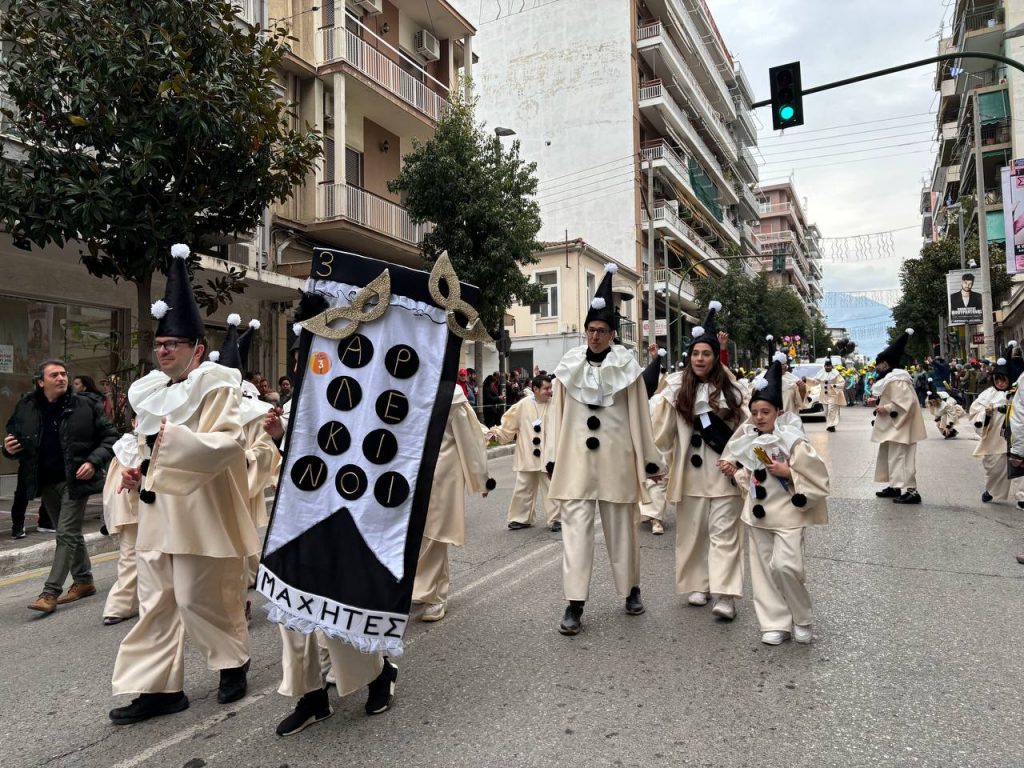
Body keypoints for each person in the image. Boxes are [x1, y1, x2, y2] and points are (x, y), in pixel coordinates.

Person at [109, 244, 258, 725]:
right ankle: (158, 688)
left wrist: (168, 444)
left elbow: (226, 444)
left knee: (198, 597)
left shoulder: (216, 383)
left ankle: (233, 660)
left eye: (173, 343)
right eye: (159, 344)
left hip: (198, 511)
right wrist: (138, 471)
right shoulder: (153, 391)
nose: (163, 350)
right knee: (156, 603)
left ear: (196, 347)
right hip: (156, 510)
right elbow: (144, 444)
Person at [262, 291, 399, 737]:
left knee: (339, 612)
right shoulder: (293, 399)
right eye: (302, 347)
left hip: (343, 514)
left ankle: (378, 675)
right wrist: (281, 433)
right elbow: (295, 460)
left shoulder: (354, 391)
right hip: (295, 516)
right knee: (291, 612)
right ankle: (311, 696)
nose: (305, 356)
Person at [544, 263, 664, 635]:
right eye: (590, 330)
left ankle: (630, 589)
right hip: (577, 463)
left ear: (613, 333)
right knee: (575, 534)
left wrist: (648, 460)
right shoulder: (567, 367)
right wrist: (551, 457)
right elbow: (556, 417)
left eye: (601, 331)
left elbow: (640, 418)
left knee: (622, 531)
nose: (595, 336)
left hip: (617, 463)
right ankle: (574, 603)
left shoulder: (626, 367)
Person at [719, 357, 829, 646]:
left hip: (789, 514)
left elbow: (819, 479)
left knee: (786, 566)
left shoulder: (793, 440)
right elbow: (747, 474)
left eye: (765, 411)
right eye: (754, 412)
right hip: (759, 513)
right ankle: (774, 622)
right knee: (764, 570)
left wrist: (789, 473)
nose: (759, 417)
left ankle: (801, 616)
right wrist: (736, 472)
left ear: (778, 412)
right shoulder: (747, 438)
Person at [651, 301, 747, 621]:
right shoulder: (677, 388)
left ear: (714, 356)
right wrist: (653, 463)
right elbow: (662, 433)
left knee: (724, 536)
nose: (700, 359)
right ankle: (698, 584)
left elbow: (747, 432)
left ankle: (726, 594)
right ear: (690, 357)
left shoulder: (731, 389)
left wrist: (737, 461)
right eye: (695, 354)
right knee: (692, 534)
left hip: (722, 474)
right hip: (690, 475)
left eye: (706, 353)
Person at [3, 359, 117, 611]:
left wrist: (92, 462)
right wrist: (8, 448)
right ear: (41, 381)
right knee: (69, 534)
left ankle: (50, 592)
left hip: (75, 480)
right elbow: (14, 438)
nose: (61, 378)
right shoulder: (26, 406)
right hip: (45, 482)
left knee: (65, 533)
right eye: (54, 375)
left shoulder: (86, 405)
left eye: (64, 374)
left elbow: (110, 438)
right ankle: (84, 580)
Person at [413, 387, 493, 622]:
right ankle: (425, 588)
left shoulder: (453, 396)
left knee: (436, 536)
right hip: (407, 475)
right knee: (414, 538)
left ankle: (436, 597)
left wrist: (481, 479)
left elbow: (469, 441)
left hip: (442, 475)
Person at [488, 374, 559, 532]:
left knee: (551, 487)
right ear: (535, 389)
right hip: (527, 453)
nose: (549, 391)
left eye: (550, 388)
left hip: (548, 455)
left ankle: (557, 519)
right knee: (523, 487)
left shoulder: (554, 404)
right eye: (546, 388)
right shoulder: (523, 405)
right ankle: (520, 518)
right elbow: (508, 426)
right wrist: (497, 433)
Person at [872, 329, 926, 505]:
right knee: (890, 456)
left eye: (879, 364)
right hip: (894, 427)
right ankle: (894, 486)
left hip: (901, 427)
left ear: (886, 364)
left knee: (902, 458)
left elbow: (906, 403)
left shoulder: (898, 380)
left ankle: (912, 491)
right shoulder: (892, 378)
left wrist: (886, 408)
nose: (877, 367)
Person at [102, 427, 141, 625]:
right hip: (132, 505)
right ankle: (119, 605)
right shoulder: (125, 446)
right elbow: (113, 485)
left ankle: (120, 605)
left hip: (153, 504)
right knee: (130, 556)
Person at [969, 352, 1016, 504]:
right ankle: (990, 489)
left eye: (1004, 380)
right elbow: (975, 412)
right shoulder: (987, 394)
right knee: (993, 467)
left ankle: (1021, 496)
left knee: (1014, 466)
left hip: (1012, 437)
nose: (1001, 384)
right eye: (998, 380)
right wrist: (986, 414)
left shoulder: (1016, 394)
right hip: (993, 437)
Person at [814, 357, 846, 432]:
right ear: (824, 366)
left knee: (831, 410)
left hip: (833, 395)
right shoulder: (820, 373)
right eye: (826, 366)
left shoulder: (836, 374)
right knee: (826, 412)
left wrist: (835, 386)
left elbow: (842, 383)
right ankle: (830, 424)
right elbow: (815, 382)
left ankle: (831, 426)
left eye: (829, 366)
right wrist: (806, 380)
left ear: (831, 366)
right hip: (824, 396)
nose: (828, 367)